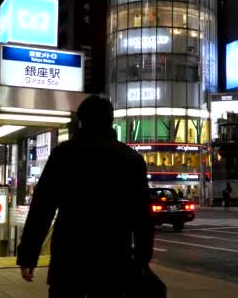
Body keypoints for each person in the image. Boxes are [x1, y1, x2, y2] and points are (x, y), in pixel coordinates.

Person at [17, 96, 155, 298]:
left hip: (70, 254)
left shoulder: (63, 154)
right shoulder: (131, 159)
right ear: (110, 121)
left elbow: (42, 207)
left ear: (81, 121)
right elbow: (142, 216)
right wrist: (142, 259)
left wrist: (29, 256)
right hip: (113, 256)